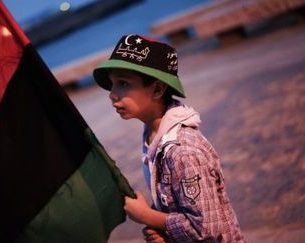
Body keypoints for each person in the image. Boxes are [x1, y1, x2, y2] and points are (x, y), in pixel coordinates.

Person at [93, 34, 245, 242]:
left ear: (157, 88)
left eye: (123, 83)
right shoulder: (154, 136)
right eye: (112, 84)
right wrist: (165, 233)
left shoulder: (183, 151)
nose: (112, 94)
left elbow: (205, 230)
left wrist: (148, 216)